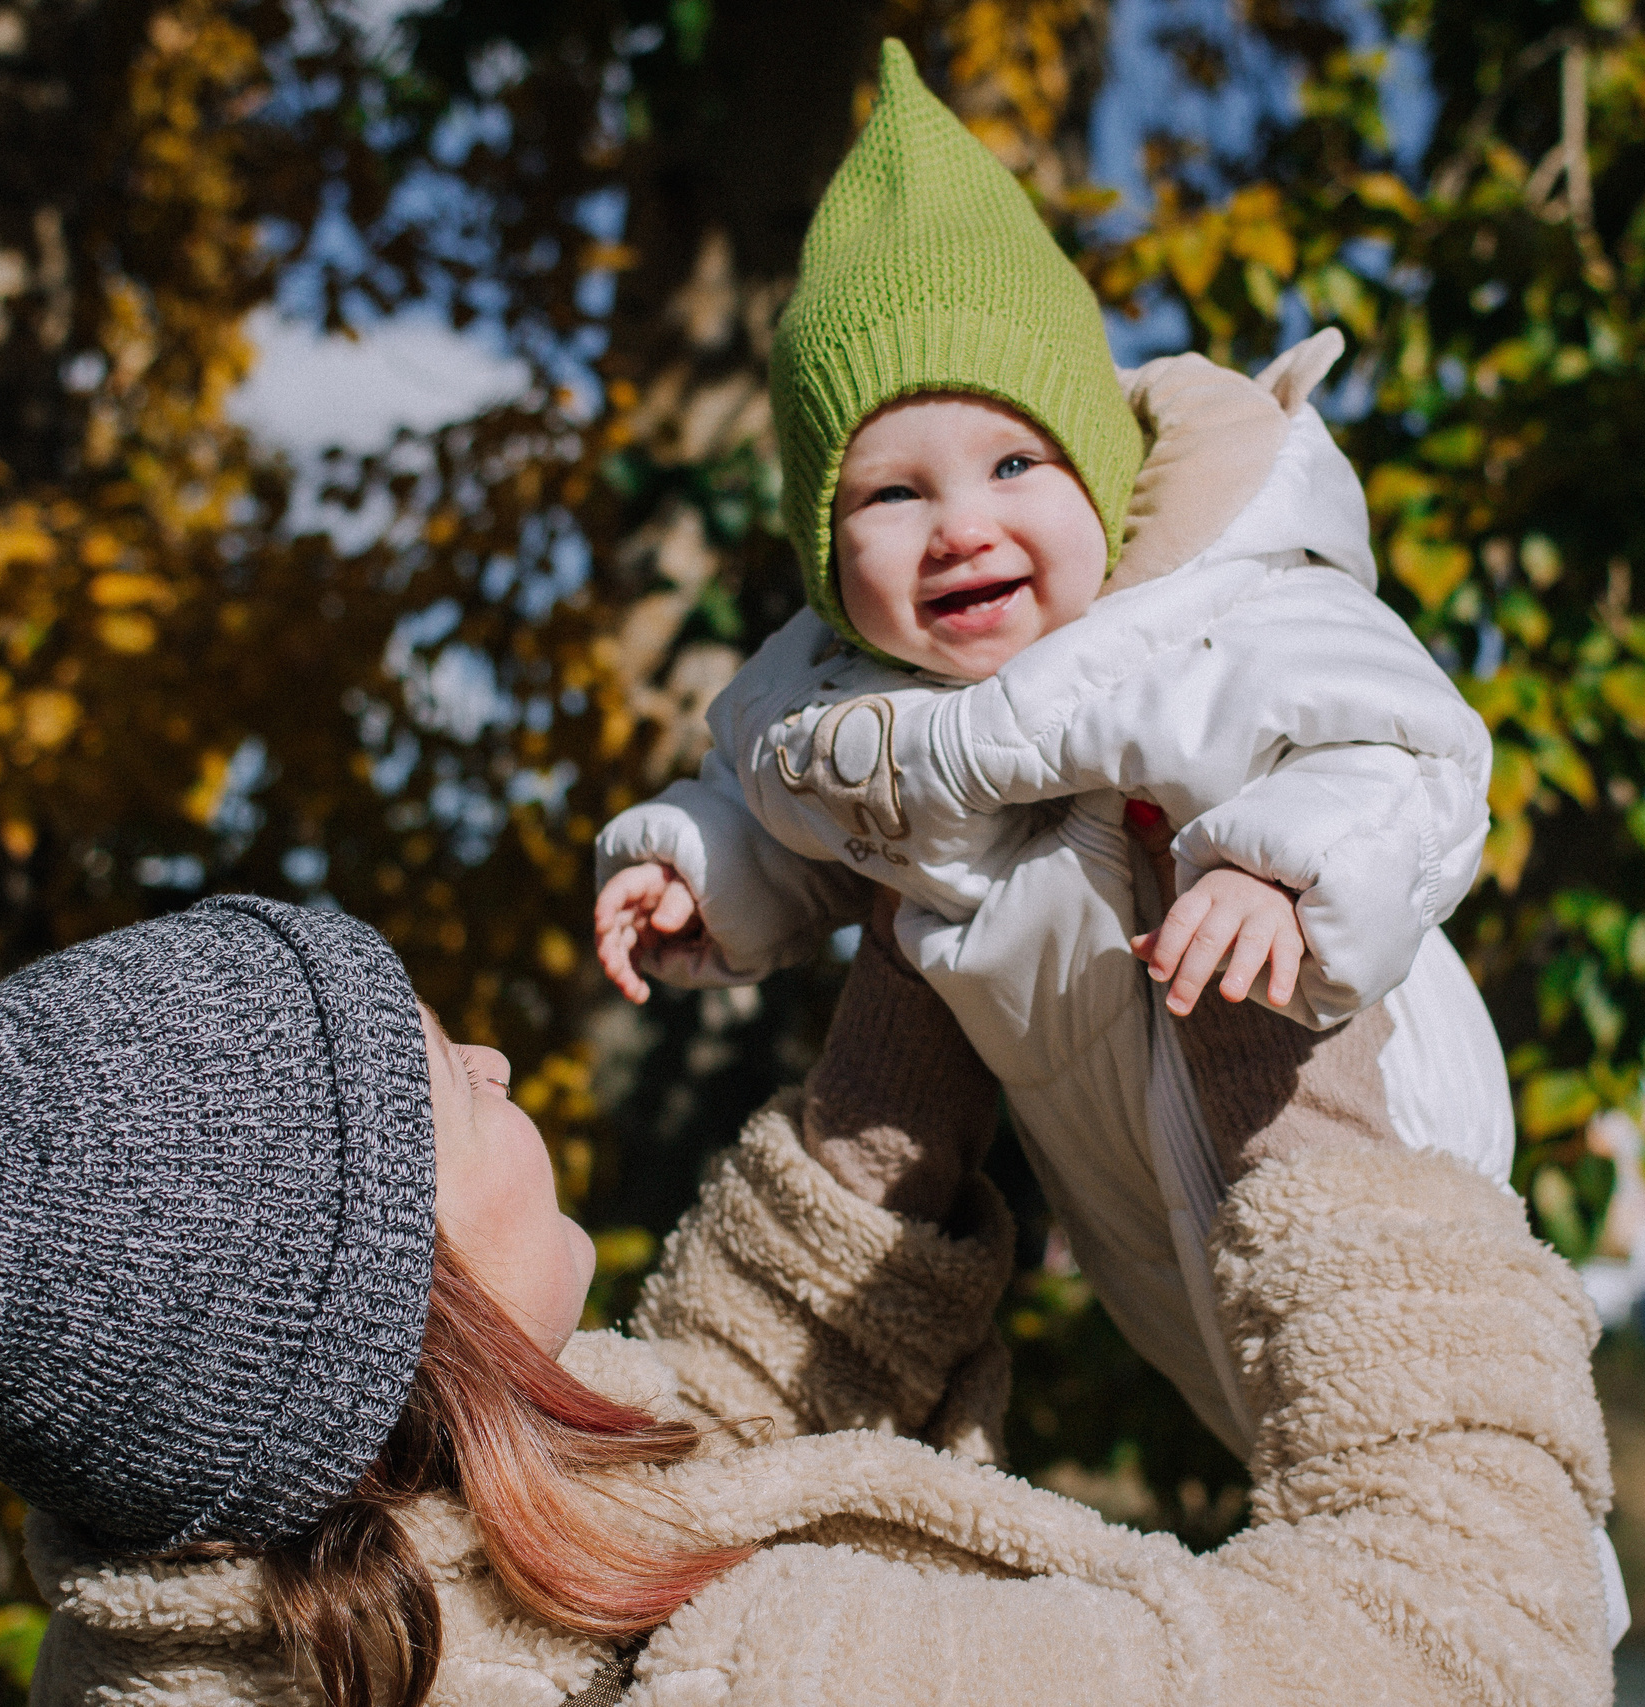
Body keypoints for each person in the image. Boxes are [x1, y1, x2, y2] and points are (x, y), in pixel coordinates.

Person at [0, 893, 1616, 1706]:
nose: (490, 1058)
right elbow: (1464, 1653)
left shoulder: (212, 1609)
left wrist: (892, 1068)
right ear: (392, 1300)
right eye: (430, 1083)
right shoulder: (785, 1690)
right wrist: (1312, 1138)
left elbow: (638, 1496)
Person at [592, 40, 1509, 1459]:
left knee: (1390, 1421)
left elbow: (1411, 754)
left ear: (1100, 474)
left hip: (1350, 1117)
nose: (960, 525)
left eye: (1015, 467)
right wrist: (701, 875)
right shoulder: (841, 716)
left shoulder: (1225, 611)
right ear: (833, 562)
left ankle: (1460, 1532)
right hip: (1145, 1211)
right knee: (909, 931)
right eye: (893, 492)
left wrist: (1280, 870)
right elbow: (781, 825)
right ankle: (779, 1415)